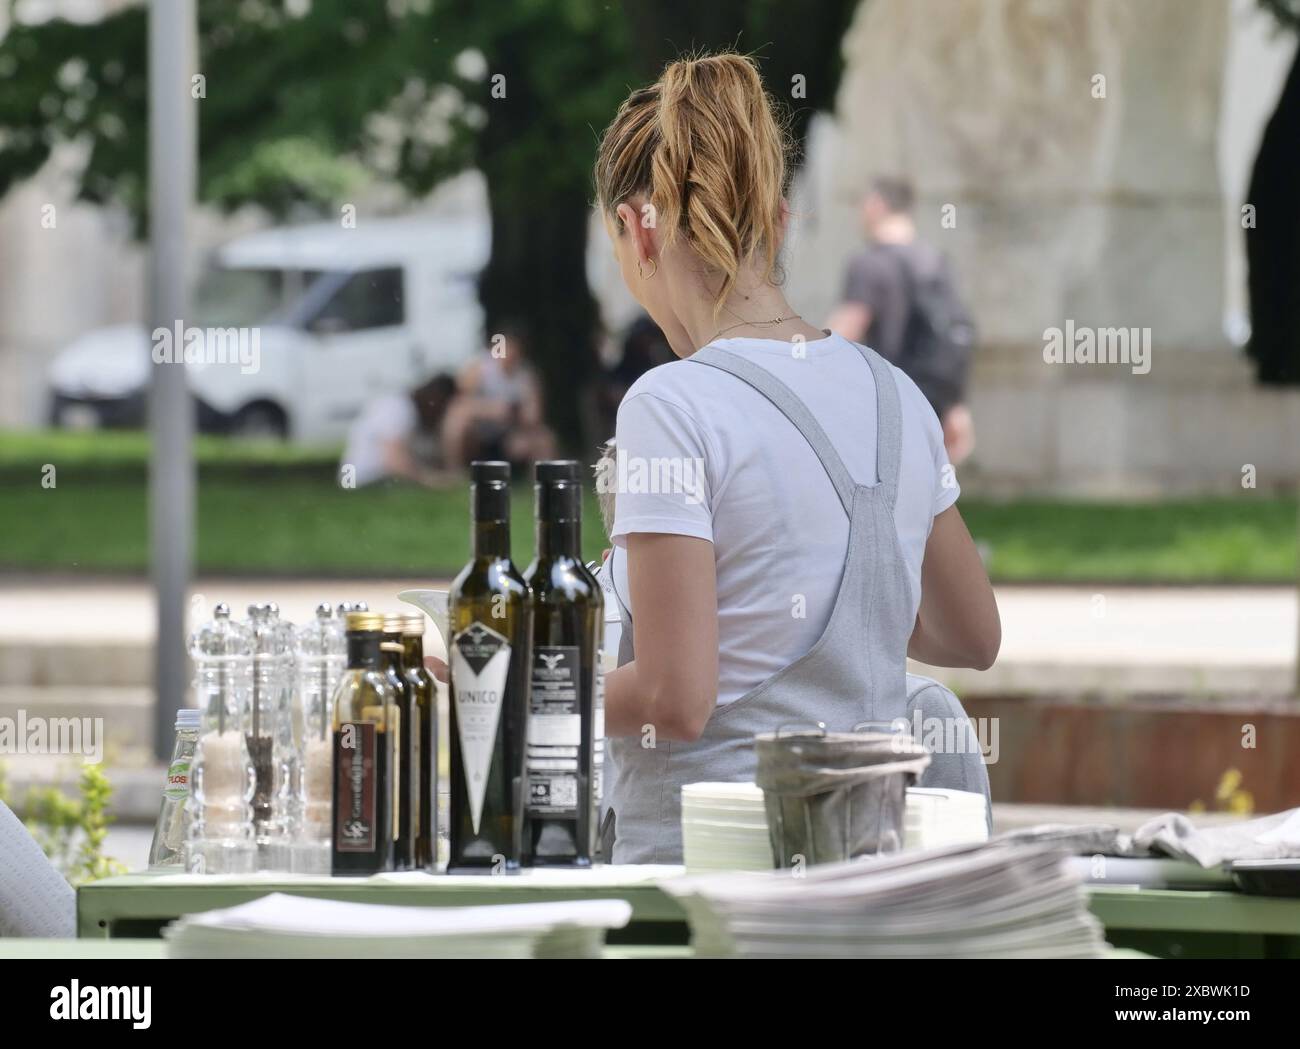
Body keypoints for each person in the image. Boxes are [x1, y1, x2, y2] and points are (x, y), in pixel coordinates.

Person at [591, 53, 1001, 864]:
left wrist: (514, 689)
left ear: (639, 230)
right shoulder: (895, 395)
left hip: (705, 876)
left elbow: (675, 699)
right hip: (865, 873)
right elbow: (972, 633)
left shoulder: (670, 404)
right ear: (776, 221)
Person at [828, 177, 978, 465]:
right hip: (934, 401)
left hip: (890, 402)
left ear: (877, 205)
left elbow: (845, 329)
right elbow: (954, 333)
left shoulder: (869, 263)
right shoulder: (936, 261)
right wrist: (957, 406)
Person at [440, 324, 556, 469]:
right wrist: (490, 409)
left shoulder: (526, 375)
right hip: (479, 432)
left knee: (544, 438)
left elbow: (533, 416)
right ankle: (454, 471)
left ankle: (538, 480)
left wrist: (514, 414)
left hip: (510, 434)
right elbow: (461, 401)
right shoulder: (480, 367)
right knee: (457, 419)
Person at [341, 373, 457, 487]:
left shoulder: (400, 405)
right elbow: (394, 459)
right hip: (366, 478)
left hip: (358, 478)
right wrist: (430, 481)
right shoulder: (398, 408)